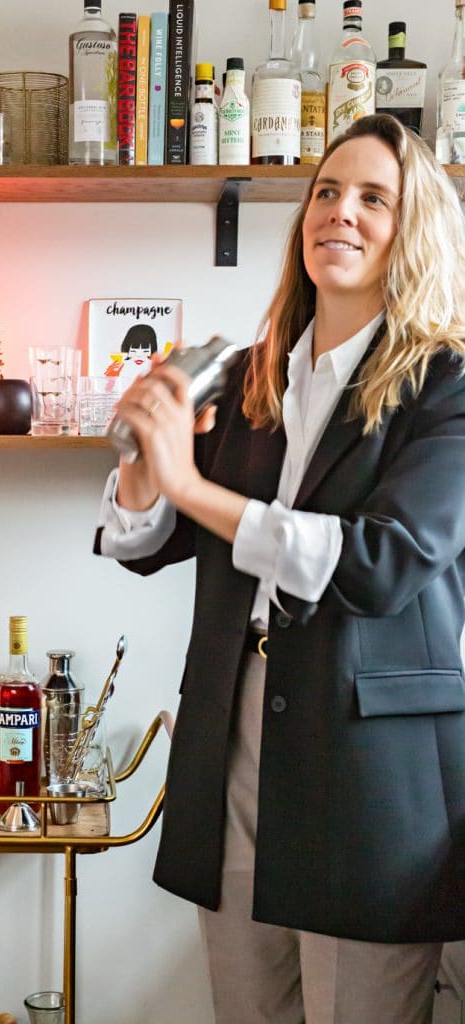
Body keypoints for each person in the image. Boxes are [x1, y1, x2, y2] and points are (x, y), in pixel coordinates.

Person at [93, 113, 465, 1024]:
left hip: (371, 762)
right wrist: (145, 460)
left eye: (373, 198)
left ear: (412, 227)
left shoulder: (446, 382)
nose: (340, 211)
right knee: (248, 1007)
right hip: (233, 729)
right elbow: (147, 545)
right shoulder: (250, 375)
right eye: (326, 192)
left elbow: (381, 562)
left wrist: (190, 483)